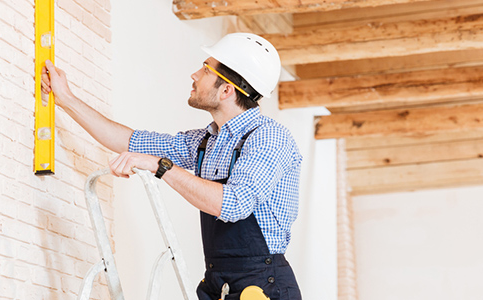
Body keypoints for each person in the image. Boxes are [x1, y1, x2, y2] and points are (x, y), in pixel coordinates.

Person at [41, 33, 303, 300]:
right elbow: (129, 141)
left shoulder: (269, 138)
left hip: (263, 289)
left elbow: (234, 204)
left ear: (226, 90)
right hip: (218, 285)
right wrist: (67, 100)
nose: (194, 75)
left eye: (205, 69)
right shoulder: (206, 142)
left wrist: (161, 167)